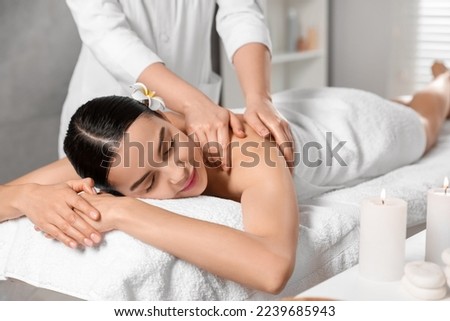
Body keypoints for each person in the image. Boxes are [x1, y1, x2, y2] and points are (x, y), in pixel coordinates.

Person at [2, 62, 449, 293]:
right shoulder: (117, 155)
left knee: (425, 118)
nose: (178, 173)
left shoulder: (249, 153)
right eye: (145, 185)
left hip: (353, 130)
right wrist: (27, 199)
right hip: (305, 107)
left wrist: (126, 211)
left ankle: (441, 83)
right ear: (107, 181)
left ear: (162, 113)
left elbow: (271, 267)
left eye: (167, 145)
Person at [59, 0, 295, 170]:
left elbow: (242, 11)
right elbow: (106, 32)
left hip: (192, 117)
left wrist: (258, 97)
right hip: (106, 113)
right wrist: (192, 103)